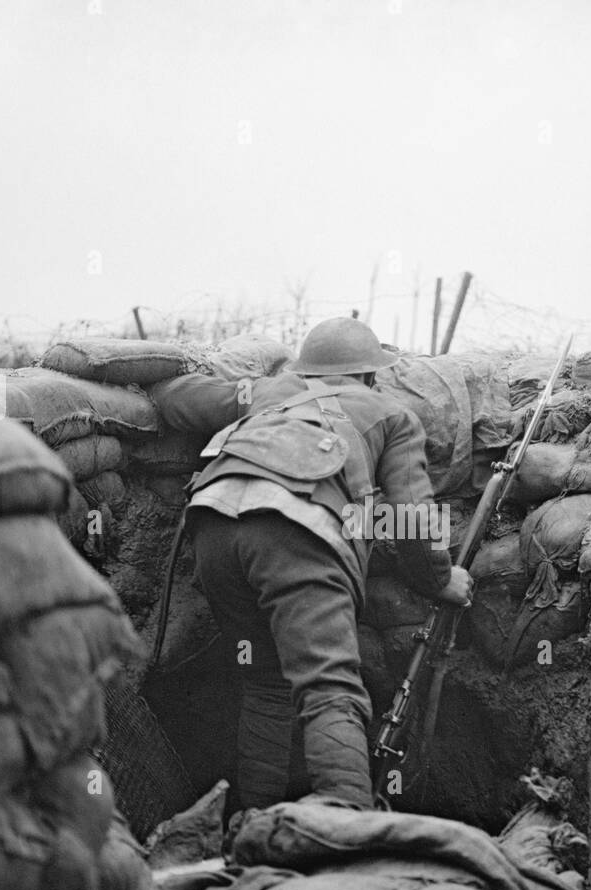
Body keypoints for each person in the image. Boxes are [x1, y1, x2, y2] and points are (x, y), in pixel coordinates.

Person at [150, 317, 473, 809]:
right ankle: (345, 833)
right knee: (330, 687)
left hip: (212, 530)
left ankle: (255, 826)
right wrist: (441, 579)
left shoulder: (265, 392)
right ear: (370, 375)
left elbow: (173, 399)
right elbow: (410, 515)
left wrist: (242, 387)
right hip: (297, 535)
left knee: (265, 683)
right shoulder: (391, 413)